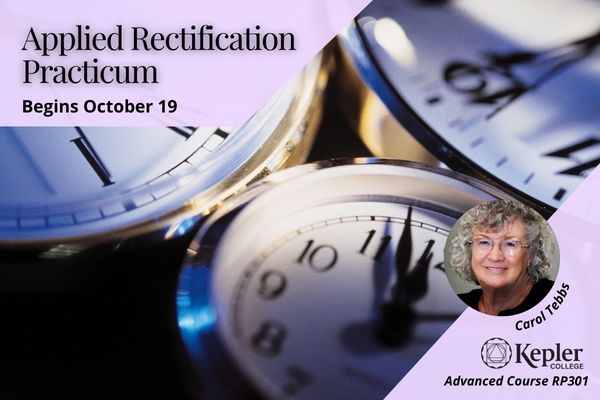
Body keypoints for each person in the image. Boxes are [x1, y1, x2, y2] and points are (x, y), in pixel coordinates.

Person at [448, 200, 556, 316]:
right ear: (469, 250)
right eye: (484, 242)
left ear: (531, 253)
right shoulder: (456, 307)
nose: (495, 257)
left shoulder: (557, 301)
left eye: (510, 244)